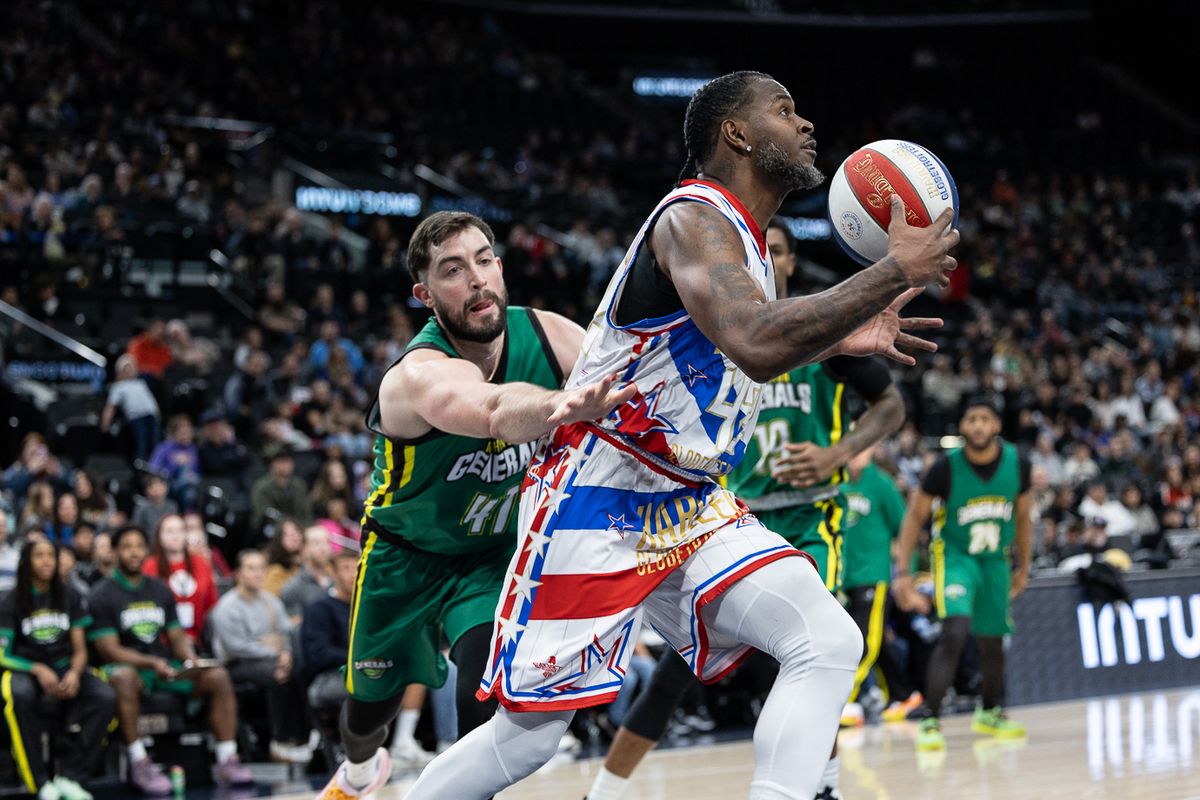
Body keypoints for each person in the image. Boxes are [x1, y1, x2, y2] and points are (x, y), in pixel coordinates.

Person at [405, 70, 955, 800]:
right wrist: (889, 273)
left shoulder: (746, 241)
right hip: (601, 490)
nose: (806, 125)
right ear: (735, 133)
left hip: (688, 500)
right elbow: (754, 340)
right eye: (785, 111)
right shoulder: (691, 218)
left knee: (826, 640)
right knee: (531, 736)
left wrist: (835, 339)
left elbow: (722, 350)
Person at [314, 210, 635, 800]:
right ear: (425, 294)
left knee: (483, 686)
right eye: (453, 270)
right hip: (404, 556)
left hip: (490, 556)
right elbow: (491, 410)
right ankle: (357, 772)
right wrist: (561, 405)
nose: (477, 279)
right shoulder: (416, 375)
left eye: (484, 259)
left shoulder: (548, 334)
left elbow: (628, 379)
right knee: (367, 716)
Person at [585, 217, 909, 800]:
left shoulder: (818, 330)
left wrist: (839, 452)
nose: (771, 257)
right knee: (673, 673)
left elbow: (890, 405)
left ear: (786, 264)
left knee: (810, 649)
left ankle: (825, 786)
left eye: (781, 250)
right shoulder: (716, 321)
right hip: (729, 515)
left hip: (809, 516)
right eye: (763, 247)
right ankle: (606, 791)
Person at [893, 397, 1033, 750]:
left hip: (995, 560)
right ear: (963, 427)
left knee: (992, 640)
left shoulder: (1019, 464)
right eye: (972, 419)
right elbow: (914, 517)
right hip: (955, 556)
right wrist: (904, 573)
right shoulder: (945, 468)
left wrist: (1025, 565)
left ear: (996, 426)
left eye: (985, 419)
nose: (979, 425)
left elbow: (1023, 519)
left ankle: (989, 712)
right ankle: (930, 718)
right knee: (955, 629)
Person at [87, 525, 255, 793]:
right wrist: (150, 663)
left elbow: (176, 637)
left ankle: (227, 758)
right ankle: (139, 761)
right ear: (116, 552)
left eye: (139, 546)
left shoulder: (159, 589)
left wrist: (191, 660)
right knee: (122, 677)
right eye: (127, 546)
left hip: (164, 666)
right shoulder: (102, 594)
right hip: (130, 668)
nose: (134, 552)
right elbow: (110, 650)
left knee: (216, 675)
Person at [0, 538, 117, 800]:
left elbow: (80, 648)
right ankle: (39, 782)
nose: (46, 561)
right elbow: (2, 655)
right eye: (38, 555)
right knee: (18, 695)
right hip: (25, 667)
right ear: (26, 562)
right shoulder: (11, 600)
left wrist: (75, 672)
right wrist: (37, 668)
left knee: (105, 696)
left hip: (65, 665)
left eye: (50, 555)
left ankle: (73, 777)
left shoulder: (69, 595)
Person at [838, 445, 922, 725]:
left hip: (874, 575)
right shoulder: (836, 482)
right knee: (877, 643)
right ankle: (905, 695)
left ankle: (842, 701)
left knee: (864, 641)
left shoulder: (882, 484)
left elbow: (905, 528)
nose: (856, 450)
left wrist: (904, 575)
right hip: (844, 577)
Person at [209, 550, 311, 763]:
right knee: (277, 673)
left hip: (271, 659)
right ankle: (280, 740)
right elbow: (236, 646)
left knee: (298, 668)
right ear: (238, 573)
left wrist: (285, 654)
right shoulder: (227, 607)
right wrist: (272, 651)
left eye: (261, 569)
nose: (257, 574)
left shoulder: (270, 600)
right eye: (251, 568)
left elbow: (285, 632)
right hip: (236, 663)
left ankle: (304, 735)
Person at [142, 514, 218, 643]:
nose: (176, 536)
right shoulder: (149, 566)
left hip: (197, 639)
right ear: (159, 536)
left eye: (181, 530)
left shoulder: (200, 563)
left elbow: (211, 603)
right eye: (170, 531)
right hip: (159, 641)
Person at [100, 354, 161, 462]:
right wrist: (106, 422)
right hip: (136, 416)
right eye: (126, 369)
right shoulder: (118, 386)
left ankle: (155, 464)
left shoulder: (140, 383)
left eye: (131, 368)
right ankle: (140, 464)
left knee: (155, 442)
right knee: (141, 442)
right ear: (119, 371)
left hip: (151, 415)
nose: (129, 371)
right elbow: (111, 406)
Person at [280, 525, 333, 623]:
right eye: (316, 543)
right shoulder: (293, 587)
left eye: (327, 542)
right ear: (304, 548)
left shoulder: (335, 582)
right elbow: (292, 629)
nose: (324, 548)